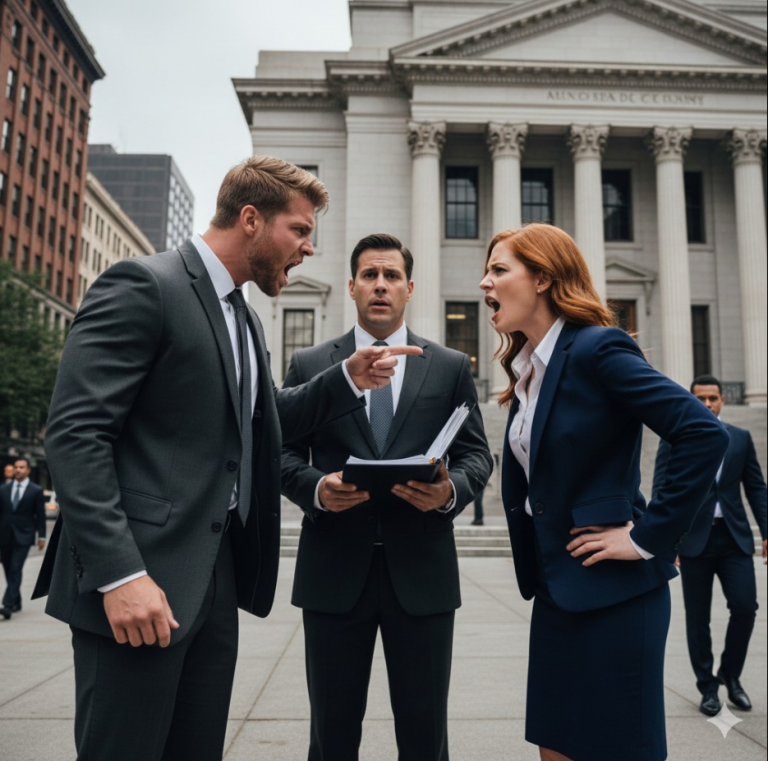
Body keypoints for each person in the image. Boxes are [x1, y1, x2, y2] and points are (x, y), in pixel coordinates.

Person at [32, 157, 420, 761]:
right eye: (300, 230)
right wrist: (120, 575)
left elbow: (262, 423)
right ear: (251, 220)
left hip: (213, 583)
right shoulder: (144, 284)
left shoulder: (242, 315)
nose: (309, 247)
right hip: (138, 580)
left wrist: (346, 378)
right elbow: (76, 434)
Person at [479, 223, 729, 761]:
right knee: (556, 749)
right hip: (557, 592)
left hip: (617, 597)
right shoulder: (528, 371)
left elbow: (702, 432)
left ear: (543, 278)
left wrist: (647, 538)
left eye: (499, 269)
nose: (485, 282)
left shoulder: (598, 347)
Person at [282, 233, 492, 761]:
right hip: (333, 573)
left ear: (409, 288)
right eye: (370, 275)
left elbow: (476, 455)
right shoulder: (311, 364)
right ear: (352, 286)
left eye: (392, 275)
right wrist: (316, 489)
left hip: (422, 573)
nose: (381, 285)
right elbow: (281, 453)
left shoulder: (448, 366)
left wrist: (449, 492)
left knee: (425, 737)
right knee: (331, 737)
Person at [653, 375, 767, 717]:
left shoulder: (741, 438)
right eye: (700, 398)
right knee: (697, 619)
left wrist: (766, 531)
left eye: (712, 398)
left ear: (721, 400)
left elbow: (756, 487)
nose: (706, 404)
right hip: (693, 541)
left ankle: (730, 674)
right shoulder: (675, 437)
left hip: (733, 538)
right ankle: (708, 687)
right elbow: (662, 489)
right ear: (691, 400)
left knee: (745, 608)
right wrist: (665, 540)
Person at [0, 458, 46, 619]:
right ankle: (16, 601)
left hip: (24, 535)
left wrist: (42, 536)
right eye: (16, 467)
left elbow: (40, 515)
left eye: (21, 467)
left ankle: (7, 605)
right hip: (4, 536)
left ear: (28, 470)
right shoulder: (3, 489)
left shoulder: (35, 490)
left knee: (15, 568)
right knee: (8, 569)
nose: (18, 470)